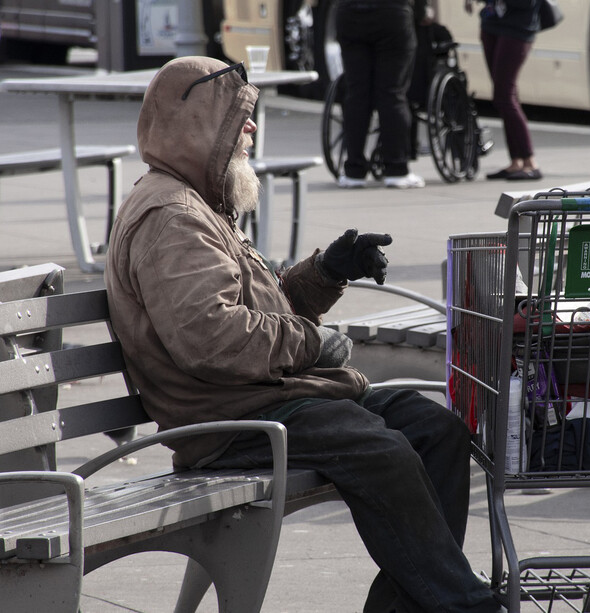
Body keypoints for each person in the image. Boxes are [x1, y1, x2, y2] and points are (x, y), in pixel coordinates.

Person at [104, 56, 504, 613]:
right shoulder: (172, 216)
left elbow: (256, 312)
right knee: (379, 449)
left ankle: (418, 605)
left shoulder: (196, 203)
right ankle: (466, 604)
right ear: (197, 126)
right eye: (238, 118)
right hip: (226, 420)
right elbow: (212, 339)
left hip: (264, 396)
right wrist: (315, 343)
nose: (251, 130)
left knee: (435, 429)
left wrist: (328, 273)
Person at [336, 0, 428, 189]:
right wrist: (420, 12)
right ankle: (396, 169)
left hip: (350, 14)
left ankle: (354, 170)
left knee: (357, 94)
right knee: (392, 93)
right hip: (392, 13)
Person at [467, 0, 544, 181]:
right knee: (505, 95)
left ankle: (530, 161)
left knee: (504, 96)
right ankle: (516, 161)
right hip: (492, 23)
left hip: (517, 27)